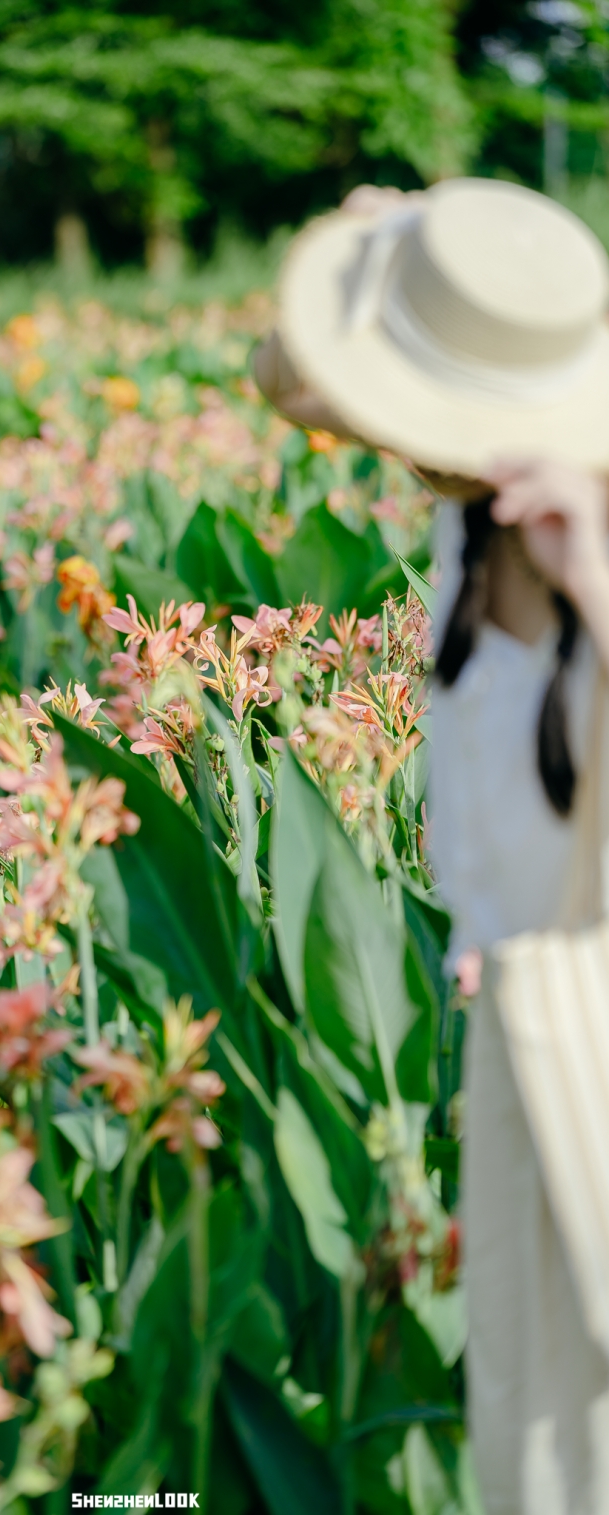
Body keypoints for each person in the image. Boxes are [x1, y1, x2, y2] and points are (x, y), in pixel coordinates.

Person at [255, 178, 609, 1514]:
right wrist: (368, 263)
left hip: (596, 1006)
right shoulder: (471, 481)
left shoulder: (588, 514)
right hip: (521, 1012)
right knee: (526, 1419)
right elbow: (285, 382)